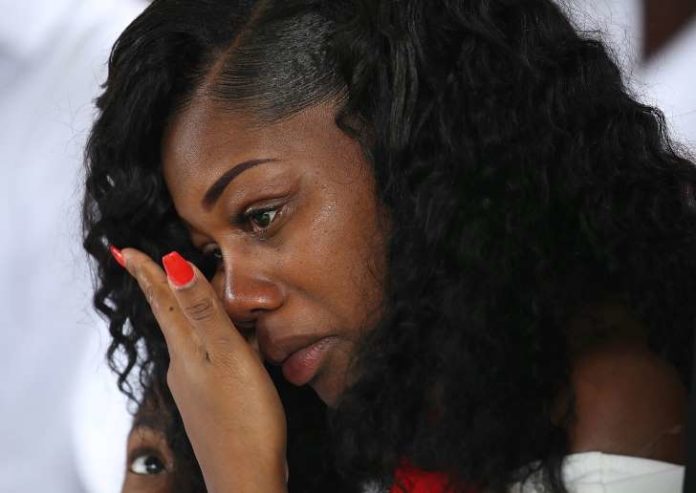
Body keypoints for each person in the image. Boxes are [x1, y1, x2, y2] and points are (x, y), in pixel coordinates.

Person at [82, 0, 696, 492]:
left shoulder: (609, 401)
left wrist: (243, 478)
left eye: (262, 216)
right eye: (210, 257)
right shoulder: (388, 432)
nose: (235, 297)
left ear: (415, 150)